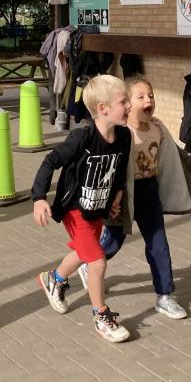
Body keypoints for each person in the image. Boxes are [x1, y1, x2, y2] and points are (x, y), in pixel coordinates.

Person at [72, 76, 191, 321]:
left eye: (150, 95)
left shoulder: (157, 127)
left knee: (158, 244)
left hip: (149, 192)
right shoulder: (120, 132)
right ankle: (89, 265)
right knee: (113, 241)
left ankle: (165, 296)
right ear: (127, 104)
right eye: (140, 96)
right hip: (122, 196)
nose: (148, 100)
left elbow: (177, 153)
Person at [31, 74, 132, 343]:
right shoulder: (82, 138)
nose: (129, 106)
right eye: (123, 102)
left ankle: (54, 279)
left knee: (82, 251)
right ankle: (101, 316)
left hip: (97, 208)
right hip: (75, 209)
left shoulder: (124, 136)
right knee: (97, 262)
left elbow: (119, 170)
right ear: (103, 108)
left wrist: (116, 198)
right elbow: (50, 162)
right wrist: (39, 197)